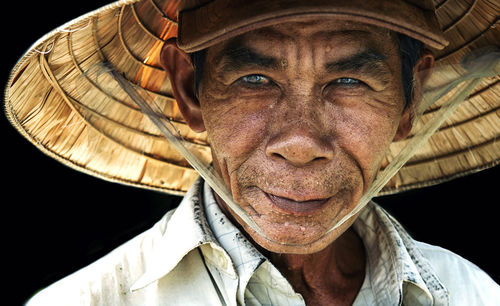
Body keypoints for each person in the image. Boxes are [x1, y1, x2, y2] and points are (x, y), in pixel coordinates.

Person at [5, 0, 500, 305]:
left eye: (349, 80)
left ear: (410, 98)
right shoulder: (87, 303)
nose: (301, 142)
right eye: (254, 80)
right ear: (188, 90)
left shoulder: (474, 296)